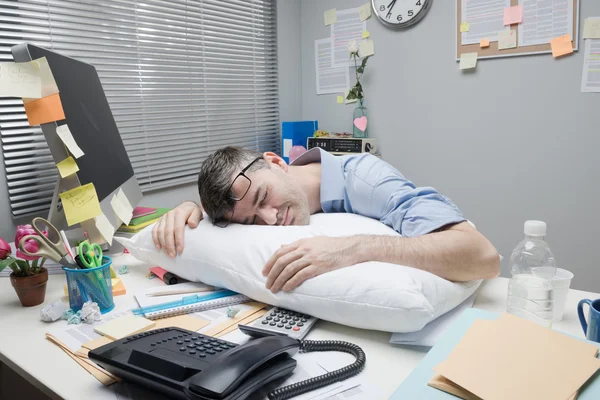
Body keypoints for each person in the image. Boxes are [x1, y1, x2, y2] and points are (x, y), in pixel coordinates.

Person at [152, 146, 500, 294]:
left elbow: (482, 257)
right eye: (252, 221)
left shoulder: (367, 181)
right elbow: (238, 204)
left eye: (263, 198)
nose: (271, 220)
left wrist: (354, 248)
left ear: (275, 160)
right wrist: (191, 209)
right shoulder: (261, 189)